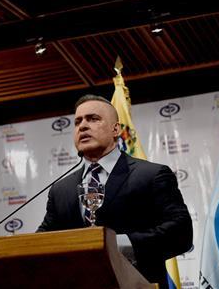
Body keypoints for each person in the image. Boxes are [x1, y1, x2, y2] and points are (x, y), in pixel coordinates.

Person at [37, 94, 192, 288]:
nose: (82, 126)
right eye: (77, 122)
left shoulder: (151, 175)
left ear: (116, 129)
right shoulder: (61, 190)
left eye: (93, 119)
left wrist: (115, 245)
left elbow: (180, 233)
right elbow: (42, 242)